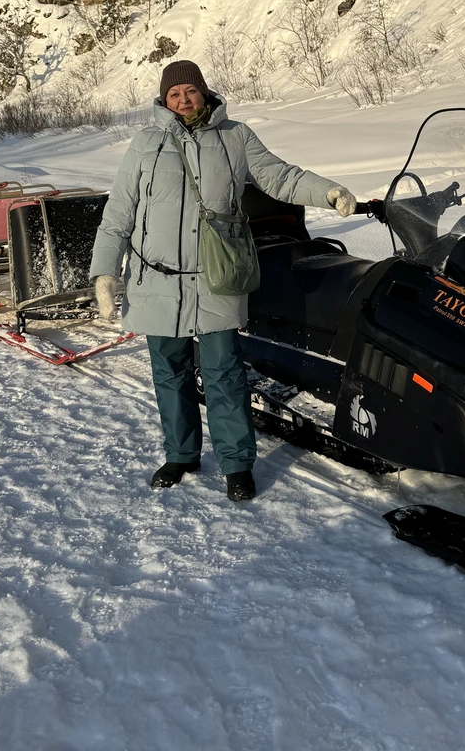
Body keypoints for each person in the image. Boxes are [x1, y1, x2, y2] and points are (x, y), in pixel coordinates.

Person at [90, 59, 356, 502]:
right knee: (169, 373)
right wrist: (104, 271)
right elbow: (119, 211)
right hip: (156, 279)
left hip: (215, 275)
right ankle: (181, 455)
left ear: (204, 91)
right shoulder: (145, 143)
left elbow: (280, 177)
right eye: (174, 94)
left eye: (190, 91)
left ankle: (236, 464)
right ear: (164, 99)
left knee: (224, 373)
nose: (183, 100)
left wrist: (327, 191)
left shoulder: (235, 136)